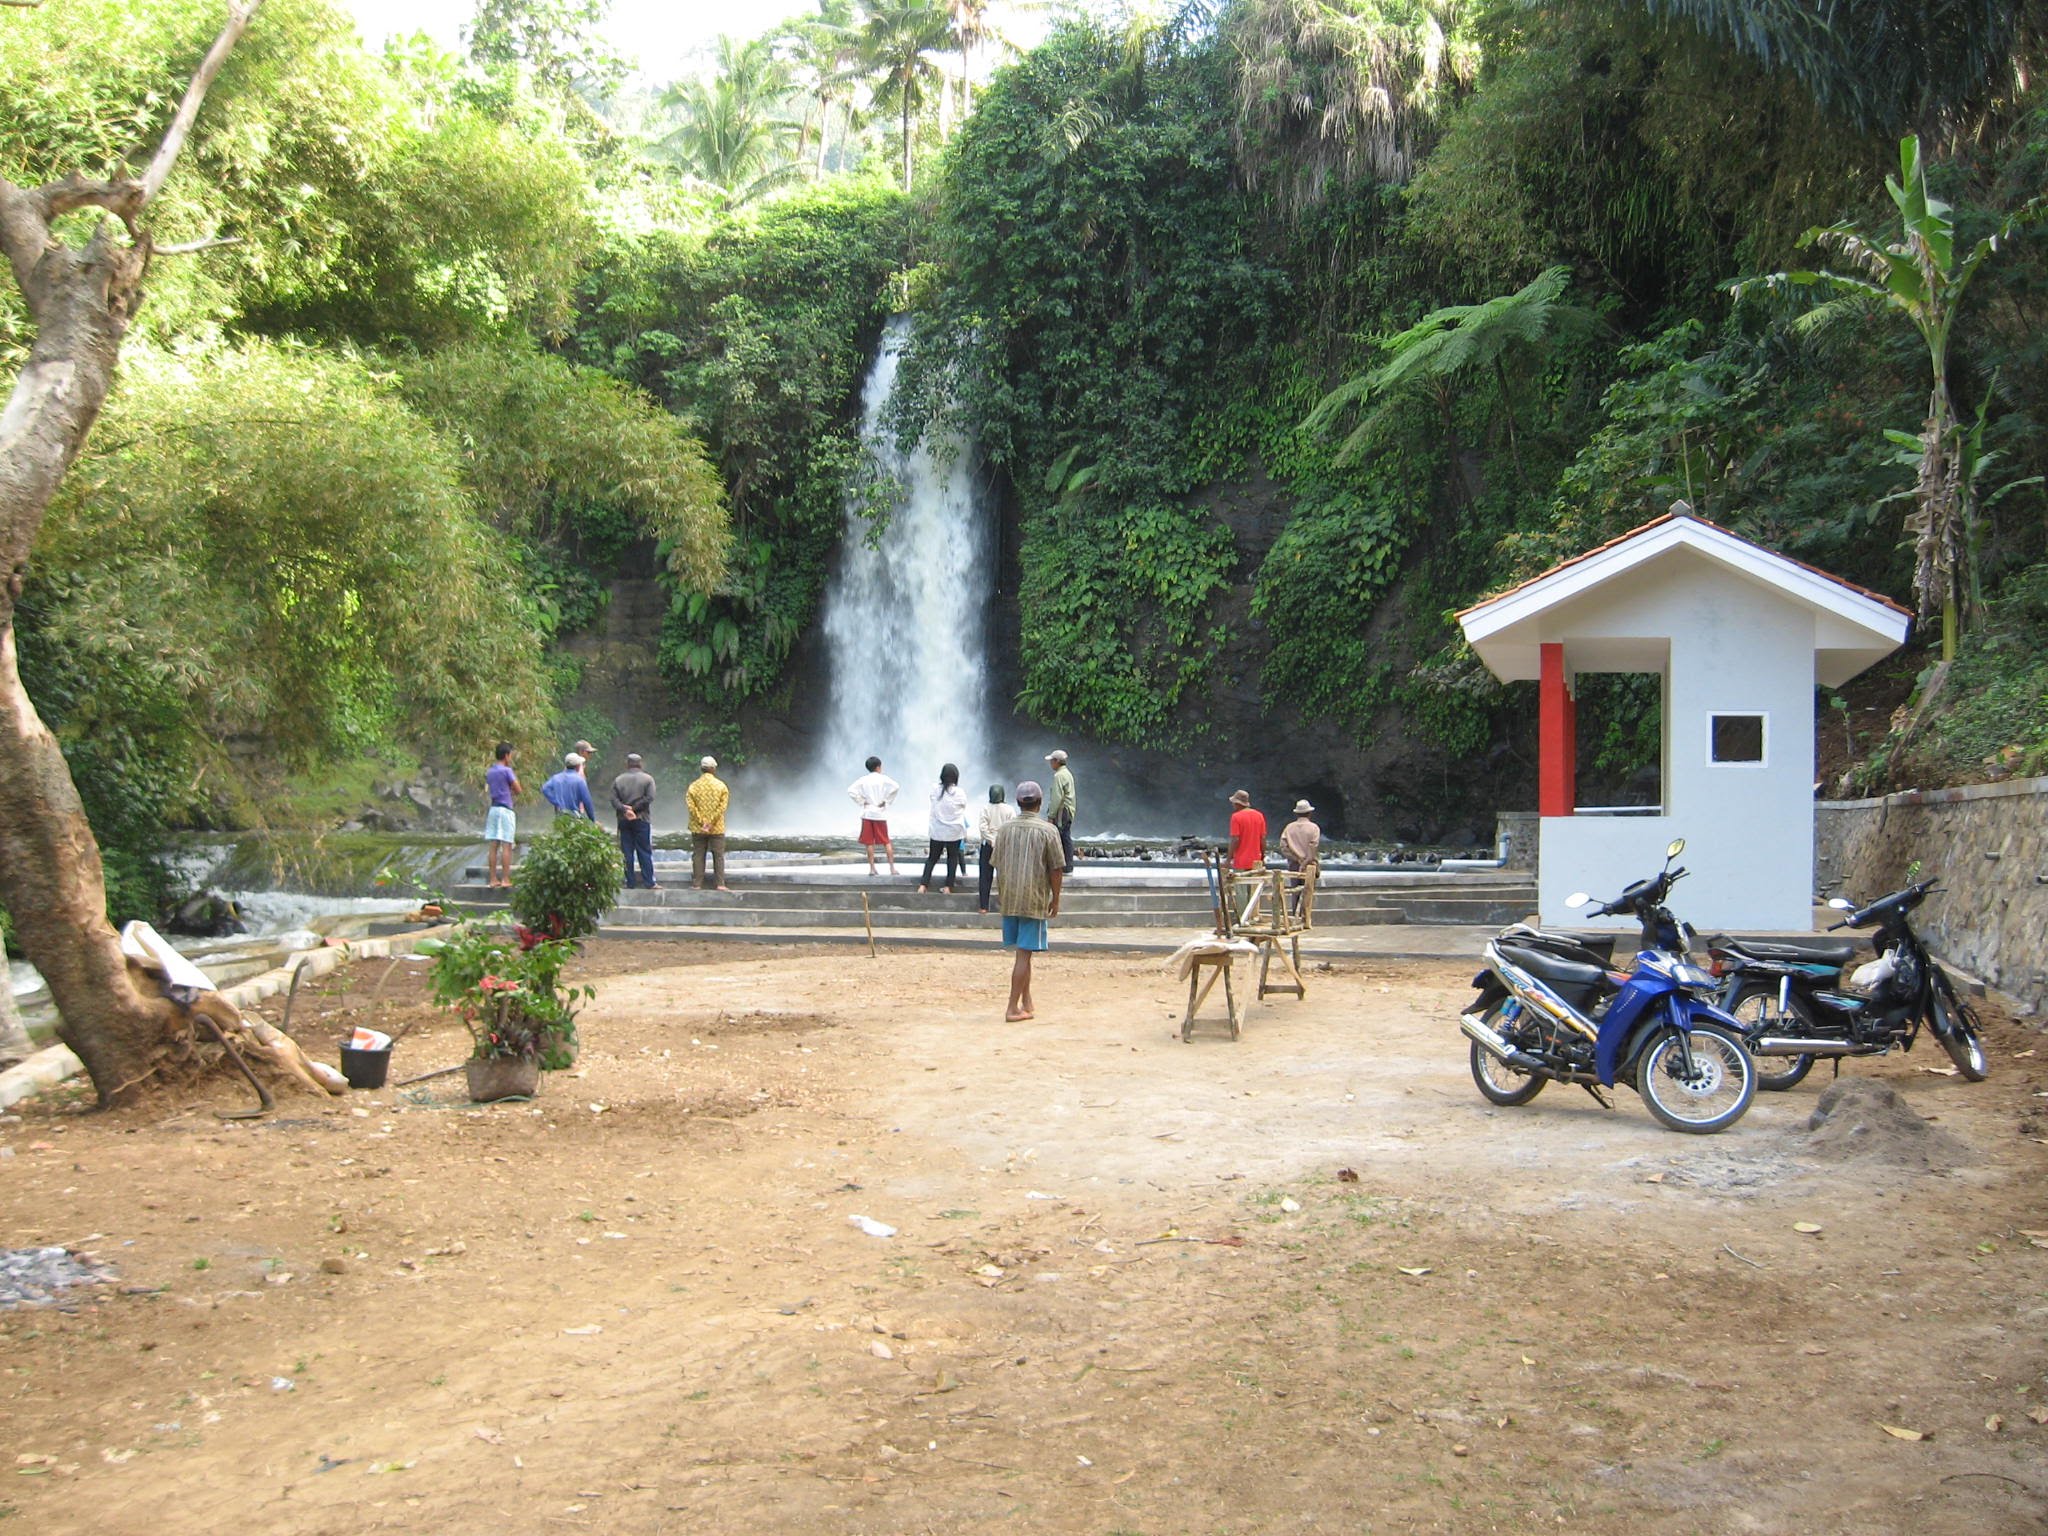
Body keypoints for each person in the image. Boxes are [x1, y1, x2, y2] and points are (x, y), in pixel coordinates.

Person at [992, 781, 1065, 1021]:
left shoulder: (1004, 830)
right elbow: (1056, 869)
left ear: (1017, 803)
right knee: (1023, 954)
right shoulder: (1048, 831)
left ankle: (1026, 1000)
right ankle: (1012, 1008)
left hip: (1010, 898)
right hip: (1033, 899)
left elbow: (995, 862)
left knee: (1024, 951)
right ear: (1040, 803)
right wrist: (1056, 898)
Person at [918, 763, 971, 894]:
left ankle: (923, 885)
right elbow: (963, 806)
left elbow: (932, 800)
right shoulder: (959, 792)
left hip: (937, 831)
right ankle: (948, 887)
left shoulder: (935, 789)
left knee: (932, 858)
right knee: (952, 858)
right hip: (954, 831)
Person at [611, 753, 658, 890]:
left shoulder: (618, 780)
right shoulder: (648, 779)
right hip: (641, 819)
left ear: (627, 764)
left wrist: (625, 809)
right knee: (644, 850)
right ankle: (649, 882)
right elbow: (649, 798)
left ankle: (630, 882)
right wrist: (634, 809)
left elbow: (613, 800)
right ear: (640, 764)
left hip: (623, 820)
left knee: (627, 851)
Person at [847, 756, 900, 876]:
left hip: (867, 813)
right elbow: (896, 786)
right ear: (878, 767)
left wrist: (861, 801)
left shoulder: (863, 780)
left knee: (869, 843)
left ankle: (872, 868)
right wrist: (886, 801)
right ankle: (892, 868)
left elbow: (850, 790)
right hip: (880, 814)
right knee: (886, 841)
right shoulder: (883, 779)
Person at [687, 755, 731, 892]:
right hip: (716, 827)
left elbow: (691, 807)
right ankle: (720, 884)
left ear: (701, 768)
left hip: (698, 827)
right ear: (713, 769)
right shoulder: (721, 786)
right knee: (718, 855)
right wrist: (711, 822)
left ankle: (697, 884)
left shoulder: (693, 786)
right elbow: (722, 807)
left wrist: (702, 822)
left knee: (698, 854)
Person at [483, 742, 521, 889]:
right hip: (506, 809)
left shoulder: (490, 771)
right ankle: (505, 879)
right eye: (510, 755)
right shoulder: (507, 771)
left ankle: (492, 879)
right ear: (506, 755)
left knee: (493, 845)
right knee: (507, 844)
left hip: (494, 809)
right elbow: (518, 789)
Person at [975, 784, 1015, 914]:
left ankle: (983, 906)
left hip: (987, 846)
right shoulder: (1009, 809)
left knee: (985, 876)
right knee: (1004, 876)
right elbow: (1012, 828)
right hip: (1004, 846)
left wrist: (991, 840)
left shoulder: (985, 809)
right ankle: (1005, 904)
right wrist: (1001, 840)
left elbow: (982, 828)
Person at [1281, 798, 1321, 913]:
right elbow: (1313, 847)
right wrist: (1305, 861)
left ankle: (1294, 915)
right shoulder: (1314, 828)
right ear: (1309, 813)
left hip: (1293, 864)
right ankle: (1305, 917)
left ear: (1296, 813)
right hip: (1309, 864)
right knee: (1308, 891)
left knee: (1295, 891)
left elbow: (1284, 848)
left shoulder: (1289, 828)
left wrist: (1297, 859)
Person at [1044, 749, 1077, 874]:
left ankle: (1064, 866)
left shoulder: (1059, 776)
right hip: (1068, 810)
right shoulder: (1067, 773)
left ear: (1057, 761)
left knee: (1061, 837)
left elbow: (1057, 797)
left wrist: (1051, 815)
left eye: (1052, 761)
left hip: (1061, 811)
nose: (1050, 763)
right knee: (1065, 836)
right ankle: (1067, 866)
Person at [541, 752, 597, 821]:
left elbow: (545, 789)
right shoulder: (580, 781)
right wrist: (592, 819)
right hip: (574, 816)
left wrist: (556, 801)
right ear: (578, 766)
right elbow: (587, 801)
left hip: (560, 815)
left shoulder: (556, 778)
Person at [1227, 788, 1267, 871]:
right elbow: (1262, 838)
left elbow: (1235, 839)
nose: (1232, 805)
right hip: (1256, 862)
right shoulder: (1259, 815)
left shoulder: (1236, 817)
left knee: (1240, 882)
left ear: (1238, 803)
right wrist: (1262, 856)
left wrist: (1228, 859)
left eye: (1233, 803)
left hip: (1240, 862)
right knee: (1255, 883)